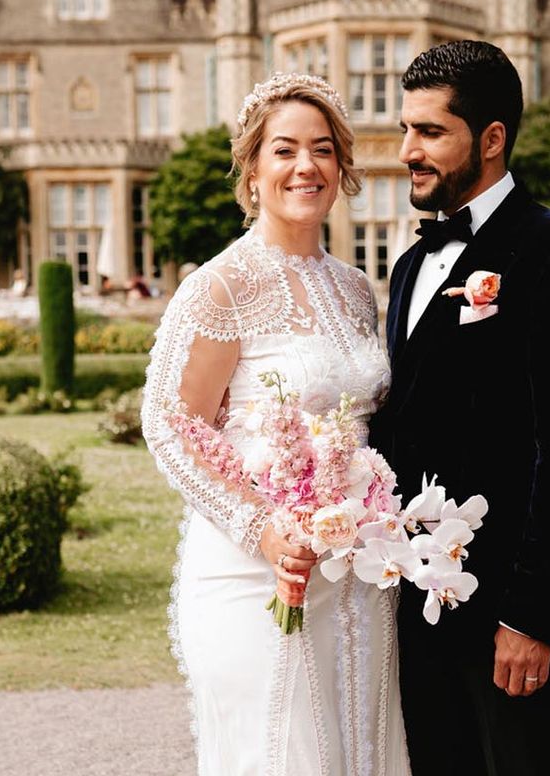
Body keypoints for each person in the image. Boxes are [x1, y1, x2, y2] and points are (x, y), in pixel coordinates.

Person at [141, 73, 409, 776]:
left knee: (360, 750)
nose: (306, 166)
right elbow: (169, 425)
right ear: (253, 168)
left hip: (356, 575)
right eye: (284, 149)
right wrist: (260, 526)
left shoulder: (355, 289)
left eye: (323, 149)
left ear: (342, 167)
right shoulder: (222, 285)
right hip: (256, 574)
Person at [372, 41, 550, 776]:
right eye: (406, 130)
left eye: (429, 133)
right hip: (417, 608)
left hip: (509, 618)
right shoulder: (411, 266)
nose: (408, 151)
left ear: (490, 139)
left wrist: (532, 616)